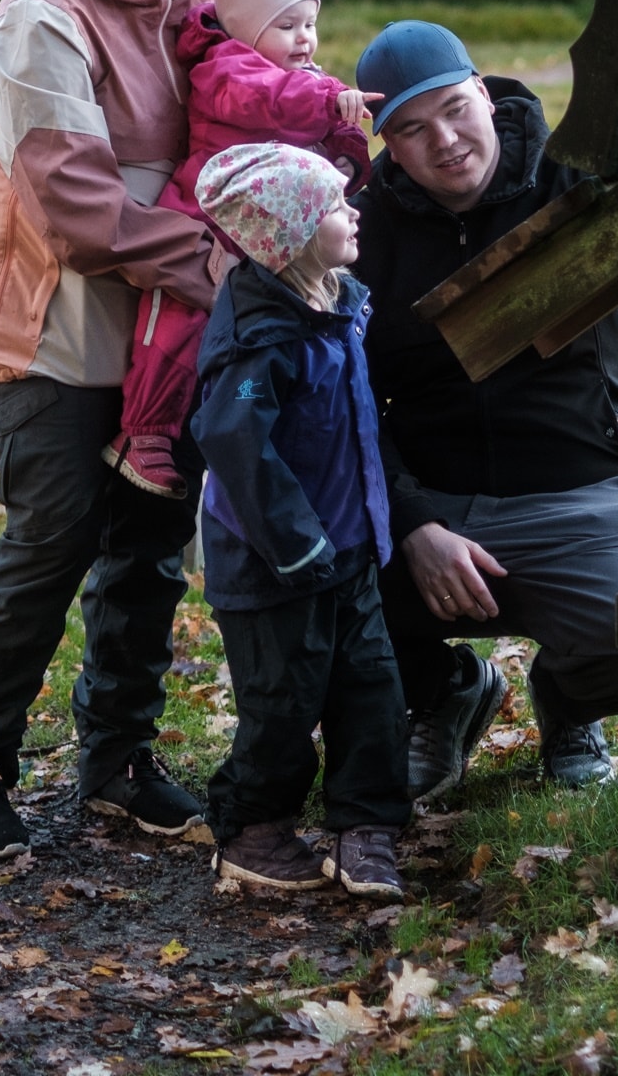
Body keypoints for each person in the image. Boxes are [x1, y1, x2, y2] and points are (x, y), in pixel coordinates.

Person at [351, 21, 618, 801]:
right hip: (436, 502)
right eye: (410, 128)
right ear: (386, 143)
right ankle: (444, 691)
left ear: (483, 91)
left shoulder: (576, 174)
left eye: (452, 108)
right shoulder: (365, 225)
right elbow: (350, 397)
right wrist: (411, 523)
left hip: (579, 486)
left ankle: (570, 703)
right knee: (313, 583)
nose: (443, 140)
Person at [0, 0, 222, 860]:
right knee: (50, 543)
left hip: (156, 340)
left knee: (147, 553)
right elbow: (76, 207)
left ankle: (117, 761)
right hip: (49, 337)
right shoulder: (36, 22)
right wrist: (221, 266)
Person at [190, 143, 408, 898]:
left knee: (372, 690)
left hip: (349, 548)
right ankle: (254, 829)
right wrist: (294, 541)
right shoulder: (262, 336)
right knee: (284, 702)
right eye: (333, 206)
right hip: (272, 564)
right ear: (288, 234)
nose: (353, 211)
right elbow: (234, 441)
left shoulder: (338, 300)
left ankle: (366, 829)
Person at [102, 0, 379, 500]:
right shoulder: (225, 69)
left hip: (265, 239)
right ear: (247, 27)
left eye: (311, 23)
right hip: (208, 218)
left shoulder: (302, 76)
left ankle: (256, 419)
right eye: (288, 25)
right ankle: (143, 432)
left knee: (262, 332)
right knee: (177, 322)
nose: (305, 38)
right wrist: (330, 101)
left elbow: (315, 126)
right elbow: (276, 102)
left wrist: (345, 151)